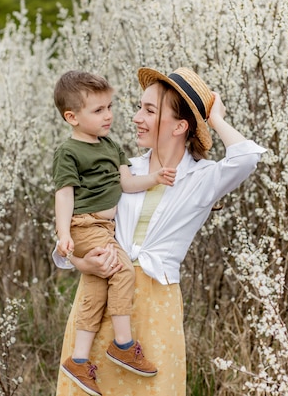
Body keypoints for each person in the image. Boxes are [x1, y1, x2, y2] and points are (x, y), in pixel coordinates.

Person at [53, 67, 267, 395]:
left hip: (156, 303)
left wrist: (215, 118)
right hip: (99, 296)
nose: (136, 117)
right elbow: (79, 226)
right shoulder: (124, 170)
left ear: (180, 126)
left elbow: (247, 158)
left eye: (149, 111)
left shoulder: (201, 178)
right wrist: (84, 264)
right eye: (139, 107)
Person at [52, 70, 178, 396]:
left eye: (109, 107)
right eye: (98, 111)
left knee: (97, 286)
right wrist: (64, 233)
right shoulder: (70, 152)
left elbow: (126, 183)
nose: (108, 115)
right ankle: (123, 344)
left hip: (103, 228)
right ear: (72, 117)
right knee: (121, 270)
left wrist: (156, 178)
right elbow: (64, 193)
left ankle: (79, 358)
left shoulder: (109, 145)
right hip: (85, 225)